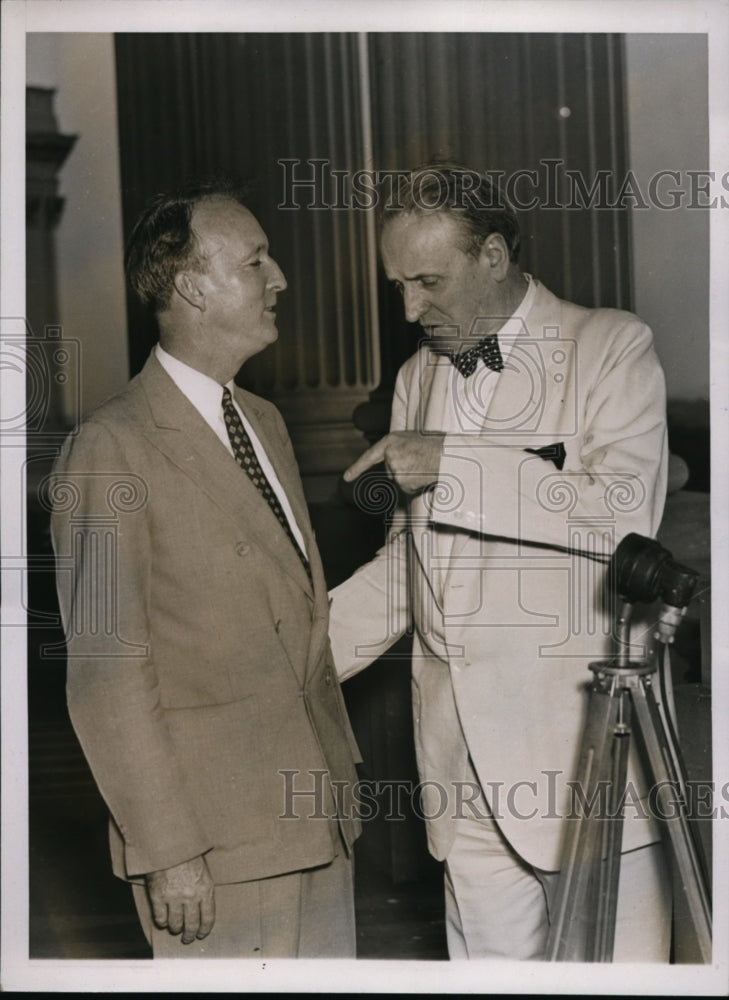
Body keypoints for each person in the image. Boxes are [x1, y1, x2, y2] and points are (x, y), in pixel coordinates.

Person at [328, 164, 670, 961]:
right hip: (458, 770)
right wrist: (287, 661)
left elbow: (623, 511)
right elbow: (408, 567)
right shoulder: (417, 376)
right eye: (397, 286)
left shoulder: (609, 344)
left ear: (490, 255)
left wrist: (453, 460)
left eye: (426, 281)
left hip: (584, 759)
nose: (410, 310)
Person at [50, 181, 361, 958]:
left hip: (319, 821)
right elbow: (105, 675)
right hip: (214, 852)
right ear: (191, 286)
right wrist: (169, 851)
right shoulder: (110, 448)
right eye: (255, 261)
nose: (279, 277)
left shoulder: (266, 422)